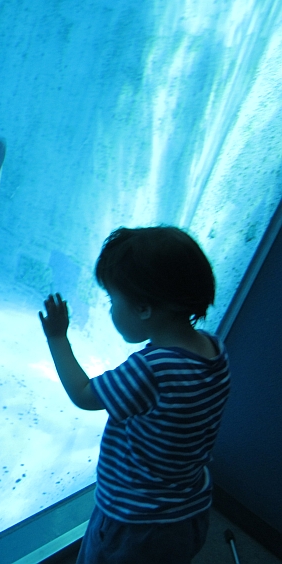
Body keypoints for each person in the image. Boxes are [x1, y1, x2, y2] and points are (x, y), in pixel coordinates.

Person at [39, 226, 231, 564]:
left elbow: (84, 395)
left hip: (134, 522)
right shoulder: (214, 350)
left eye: (113, 301)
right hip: (188, 510)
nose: (112, 309)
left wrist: (57, 338)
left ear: (143, 308)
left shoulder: (151, 370)